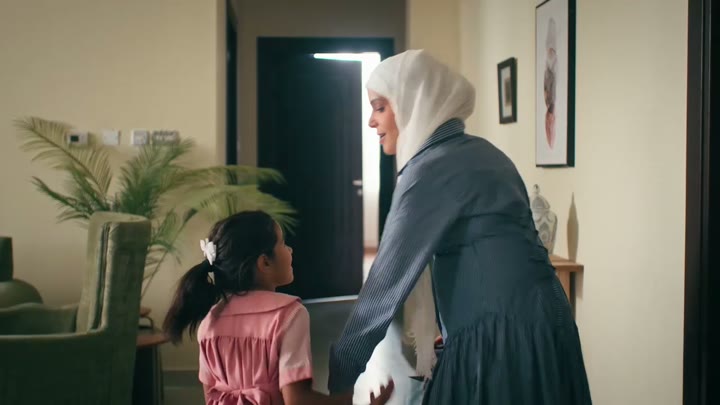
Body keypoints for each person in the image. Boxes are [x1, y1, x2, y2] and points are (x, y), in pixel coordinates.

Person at [328, 50, 592, 404]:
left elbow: (384, 286)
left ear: (412, 103)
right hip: (549, 325)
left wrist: (341, 377)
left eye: (379, 107)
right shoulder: (488, 153)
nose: (371, 122)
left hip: (500, 342)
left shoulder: (428, 170)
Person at [163, 211, 394, 405]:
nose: (290, 250)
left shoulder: (209, 322)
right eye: (283, 243)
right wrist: (348, 401)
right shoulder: (288, 315)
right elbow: (297, 400)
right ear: (264, 262)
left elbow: (210, 397)